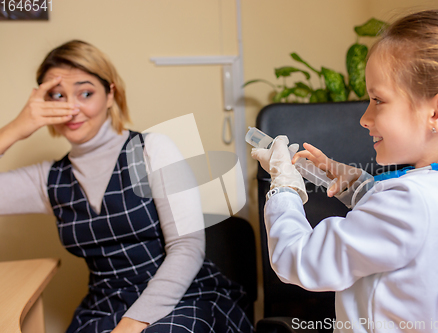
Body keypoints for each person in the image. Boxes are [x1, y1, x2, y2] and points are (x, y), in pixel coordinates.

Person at [252, 9, 438, 333]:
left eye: (378, 100)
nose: (364, 118)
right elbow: (413, 231)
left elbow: (297, 259)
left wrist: (283, 187)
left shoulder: (409, 206)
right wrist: (357, 186)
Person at [0, 40, 253, 333]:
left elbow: (187, 248)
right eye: (57, 96)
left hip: (181, 298)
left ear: (110, 94)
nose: (71, 108)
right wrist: (14, 129)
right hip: (105, 307)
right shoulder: (47, 180)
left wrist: (132, 325)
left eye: (85, 93)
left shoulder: (152, 149)